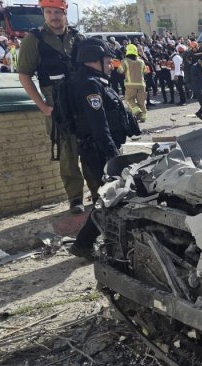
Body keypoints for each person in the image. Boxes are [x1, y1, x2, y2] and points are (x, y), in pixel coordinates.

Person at [66, 38, 140, 259]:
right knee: (109, 198)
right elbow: (99, 126)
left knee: (107, 198)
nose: (110, 66)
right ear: (94, 60)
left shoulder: (91, 80)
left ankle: (89, 243)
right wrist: (113, 155)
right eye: (107, 61)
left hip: (97, 150)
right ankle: (84, 244)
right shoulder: (90, 85)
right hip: (98, 152)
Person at [17, 0, 91, 214]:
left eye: (57, 12)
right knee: (68, 155)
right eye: (48, 12)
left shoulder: (78, 38)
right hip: (56, 106)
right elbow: (24, 75)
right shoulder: (34, 40)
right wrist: (42, 106)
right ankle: (75, 198)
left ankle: (97, 193)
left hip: (81, 103)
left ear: (64, 12)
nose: (53, 16)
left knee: (90, 149)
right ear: (43, 13)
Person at [119, 43, 147, 122]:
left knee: (129, 100)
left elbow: (120, 71)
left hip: (130, 85)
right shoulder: (141, 61)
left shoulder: (125, 61)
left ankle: (137, 111)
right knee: (141, 101)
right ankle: (143, 117)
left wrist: (118, 65)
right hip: (141, 84)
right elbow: (145, 71)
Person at [191, 52, 202, 122]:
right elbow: (195, 79)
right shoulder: (194, 67)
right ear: (199, 61)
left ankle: (199, 113)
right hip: (197, 87)